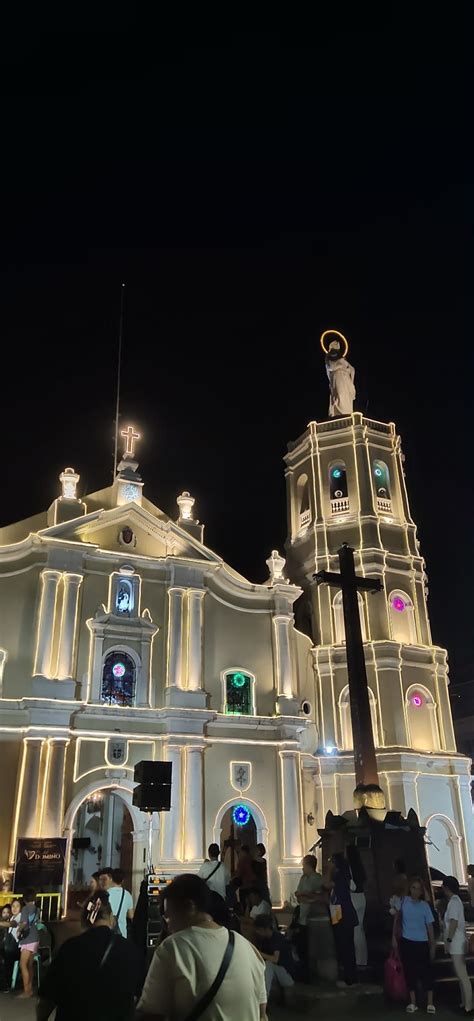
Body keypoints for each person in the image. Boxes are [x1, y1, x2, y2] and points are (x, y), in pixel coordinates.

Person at [136, 874, 268, 1020]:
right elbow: (262, 1014)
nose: (168, 925)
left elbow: (151, 1015)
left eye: (169, 916)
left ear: (190, 906)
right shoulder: (248, 948)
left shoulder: (173, 948)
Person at [36, 890, 140, 1020]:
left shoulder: (70, 947)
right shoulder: (129, 949)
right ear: (111, 918)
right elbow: (139, 998)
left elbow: (46, 1000)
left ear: (84, 919)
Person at [392, 875, 436, 1014]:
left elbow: (429, 926)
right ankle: (413, 1002)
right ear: (409, 889)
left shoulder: (424, 906)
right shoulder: (403, 902)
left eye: (419, 889)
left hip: (422, 942)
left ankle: (430, 1002)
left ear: (422, 891)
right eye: (413, 888)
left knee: (426, 972)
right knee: (410, 971)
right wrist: (393, 937)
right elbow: (397, 919)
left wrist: (432, 944)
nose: (416, 891)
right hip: (407, 941)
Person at [442, 876, 471, 1014]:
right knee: (461, 975)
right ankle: (465, 1003)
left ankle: (468, 1005)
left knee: (462, 975)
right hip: (459, 941)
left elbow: (453, 923)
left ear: (446, 888)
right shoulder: (456, 901)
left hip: (456, 942)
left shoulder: (453, 902)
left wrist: (448, 940)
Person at [330, 853, 359, 987]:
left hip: (343, 915)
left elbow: (328, 886)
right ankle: (350, 976)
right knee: (348, 947)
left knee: (345, 947)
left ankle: (349, 977)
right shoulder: (345, 876)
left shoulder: (338, 877)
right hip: (345, 915)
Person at [293, 854, 323, 979]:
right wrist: (305, 895)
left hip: (313, 918)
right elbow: (298, 894)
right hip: (302, 917)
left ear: (309, 866)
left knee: (313, 947)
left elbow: (317, 896)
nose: (302, 868)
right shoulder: (303, 879)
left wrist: (307, 896)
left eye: (304, 865)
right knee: (301, 947)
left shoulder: (317, 879)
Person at [254, 915, 295, 998]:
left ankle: (264, 999)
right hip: (279, 973)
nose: (257, 932)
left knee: (268, 965)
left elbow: (275, 959)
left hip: (287, 975)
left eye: (258, 930)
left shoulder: (276, 938)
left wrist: (258, 953)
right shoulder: (265, 940)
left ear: (263, 929)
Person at [346, 845, 368, 968]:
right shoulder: (359, 866)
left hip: (353, 898)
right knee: (359, 929)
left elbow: (350, 886)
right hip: (362, 897)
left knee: (354, 930)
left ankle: (358, 960)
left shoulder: (349, 868)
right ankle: (362, 958)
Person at [17, 888, 40, 998]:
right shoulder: (37, 909)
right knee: (30, 965)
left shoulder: (26, 909)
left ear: (25, 898)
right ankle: (30, 989)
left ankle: (26, 991)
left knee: (23, 964)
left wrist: (18, 930)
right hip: (35, 938)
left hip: (27, 939)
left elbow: (24, 923)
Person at [101, 868, 134, 938]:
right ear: (122, 881)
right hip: (122, 934)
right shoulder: (127, 895)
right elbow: (131, 916)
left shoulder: (105, 894)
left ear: (111, 879)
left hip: (107, 933)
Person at [2, 897, 22, 990]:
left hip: (16, 949)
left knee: (7, 961)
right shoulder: (13, 917)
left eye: (17, 906)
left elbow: (12, 924)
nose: (14, 908)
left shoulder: (19, 916)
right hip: (10, 947)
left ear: (21, 908)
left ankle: (7, 984)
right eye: (13, 906)